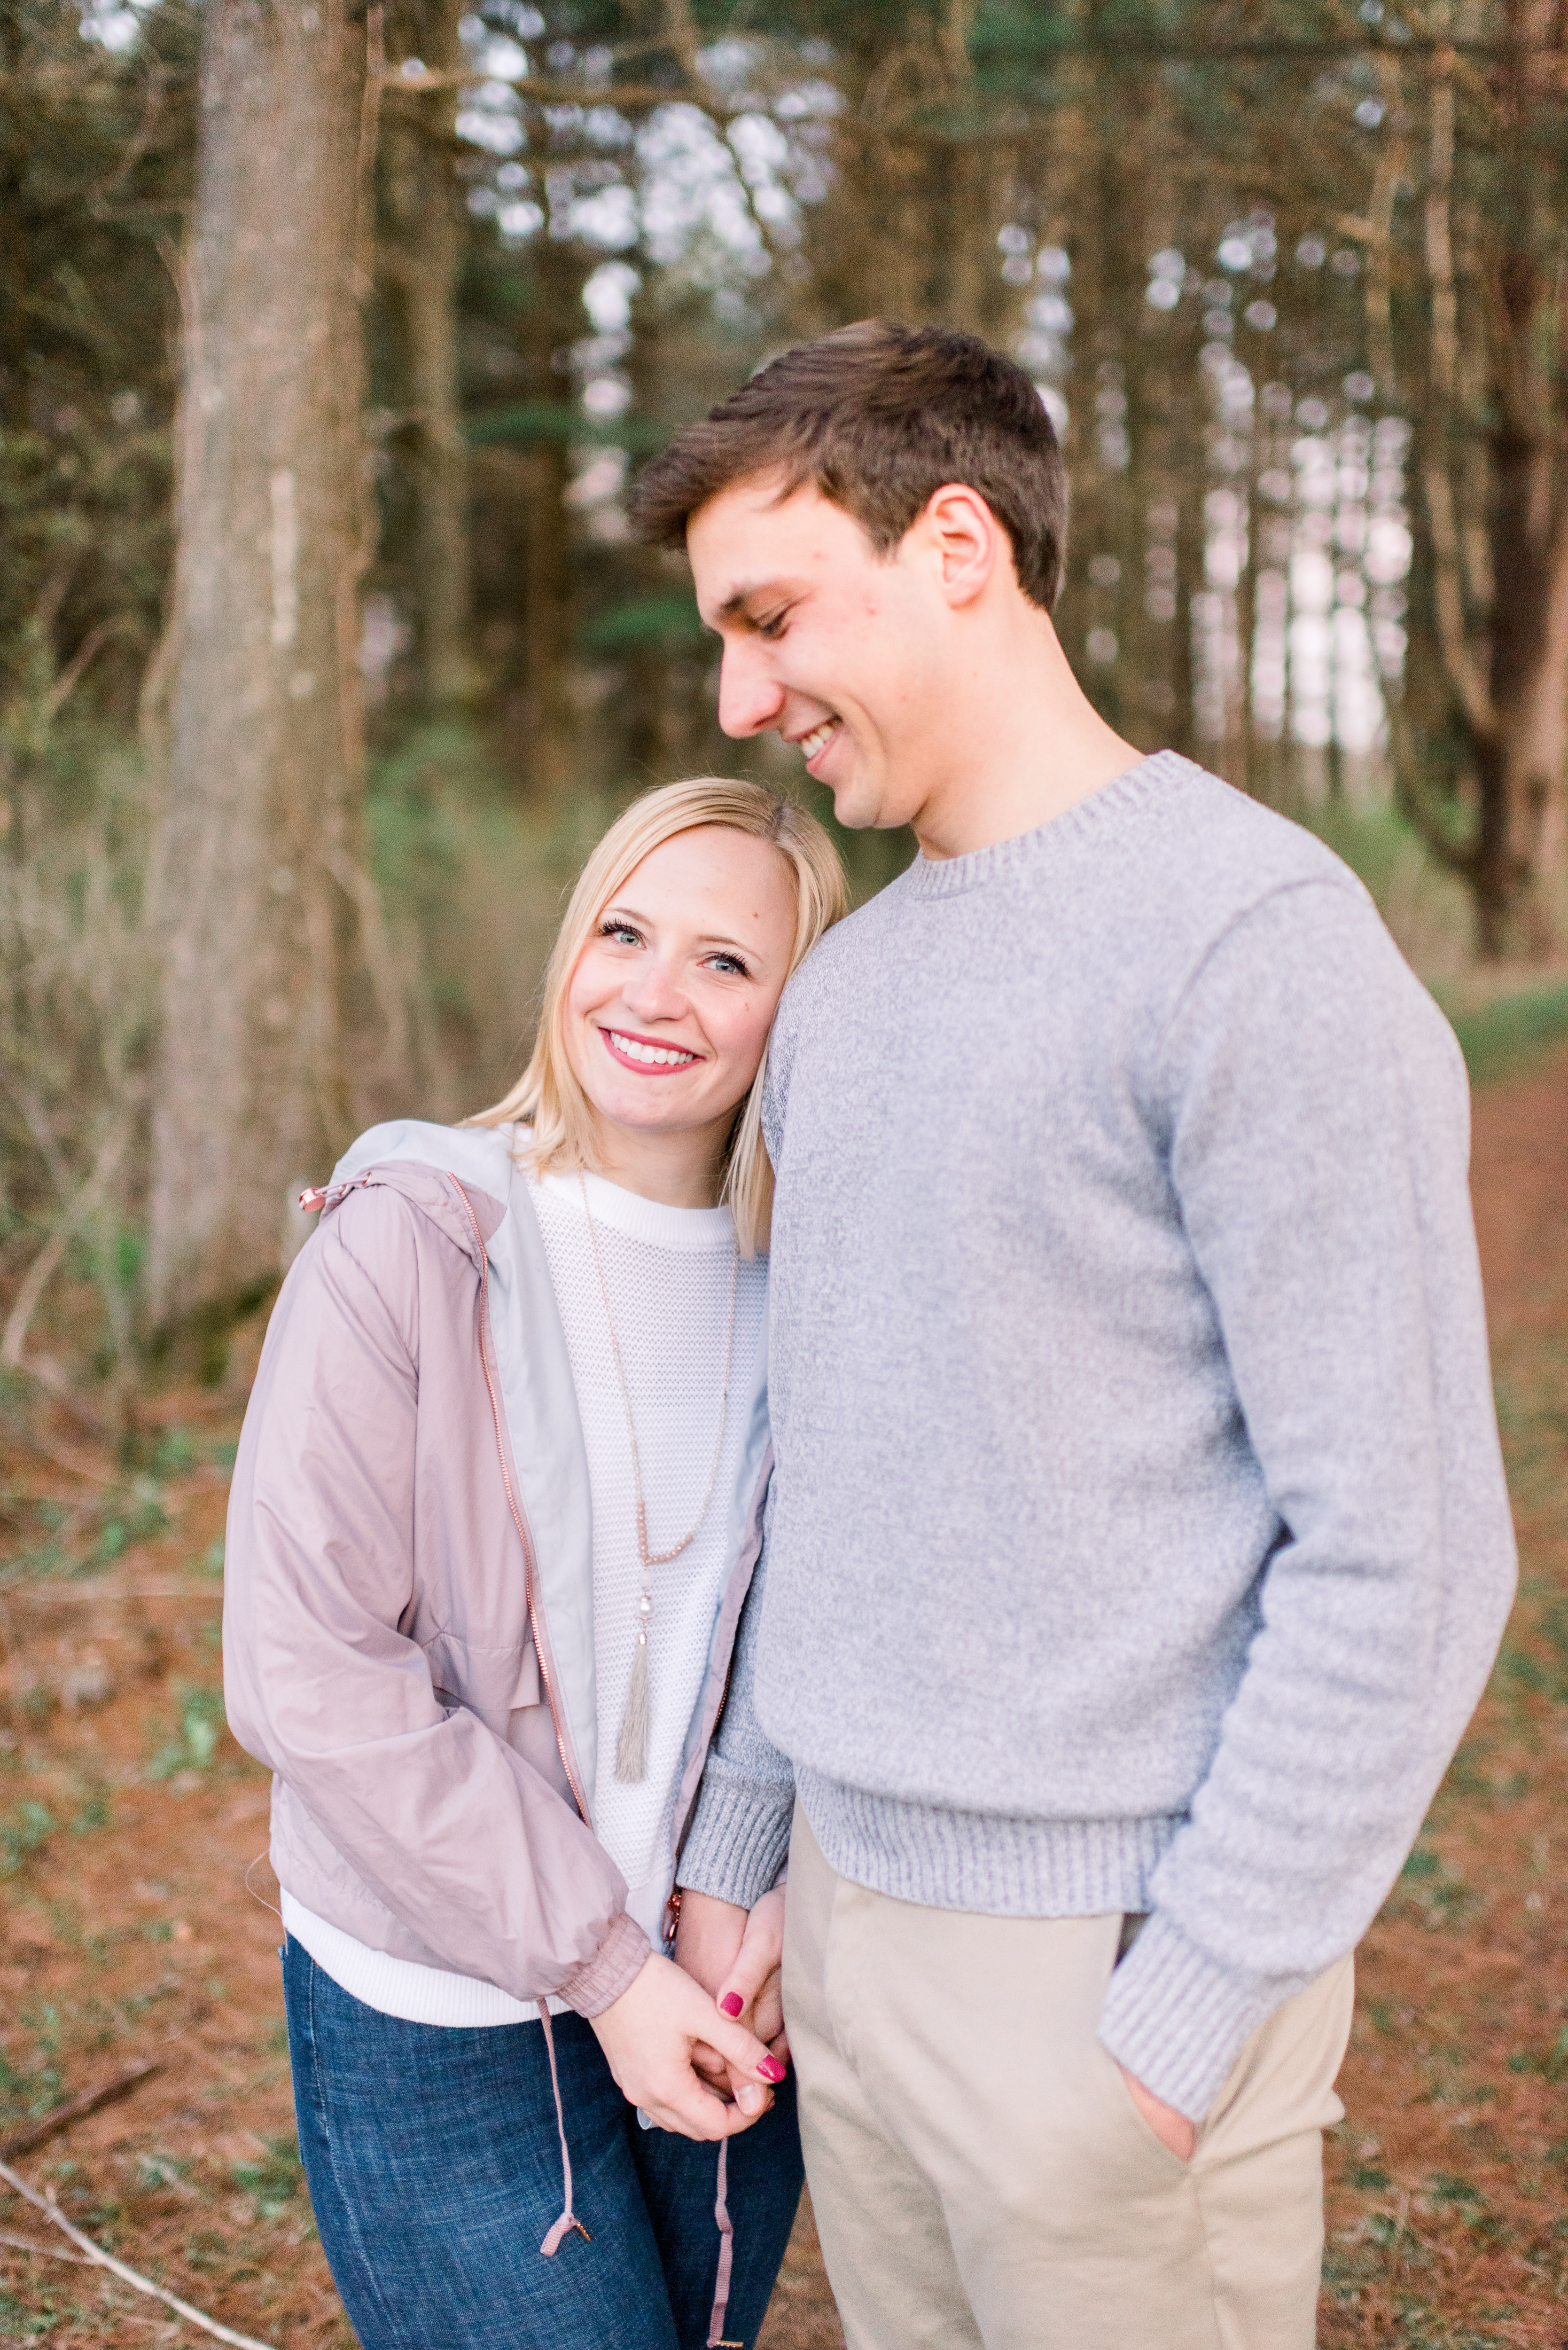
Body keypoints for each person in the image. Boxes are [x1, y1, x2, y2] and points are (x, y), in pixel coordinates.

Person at [631, 323, 1519, 2349]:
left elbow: (1409, 1548)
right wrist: (747, 1844)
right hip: (841, 1954)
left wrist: (1177, 2015)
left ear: (957, 542)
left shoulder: (1249, 948)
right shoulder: (848, 990)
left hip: (1106, 1985)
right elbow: (827, 1458)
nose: (737, 697)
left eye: (769, 618)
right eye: (718, 639)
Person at [223, 777, 848, 2350]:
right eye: (625, 932)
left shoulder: (822, 1282)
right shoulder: (413, 1242)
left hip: (716, 1971)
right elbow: (309, 1673)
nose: (653, 992)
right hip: (443, 2013)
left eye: (725, 962)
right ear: (569, 951)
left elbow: (825, 1604)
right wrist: (602, 1965)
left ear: (796, 1008)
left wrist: (733, 1879)